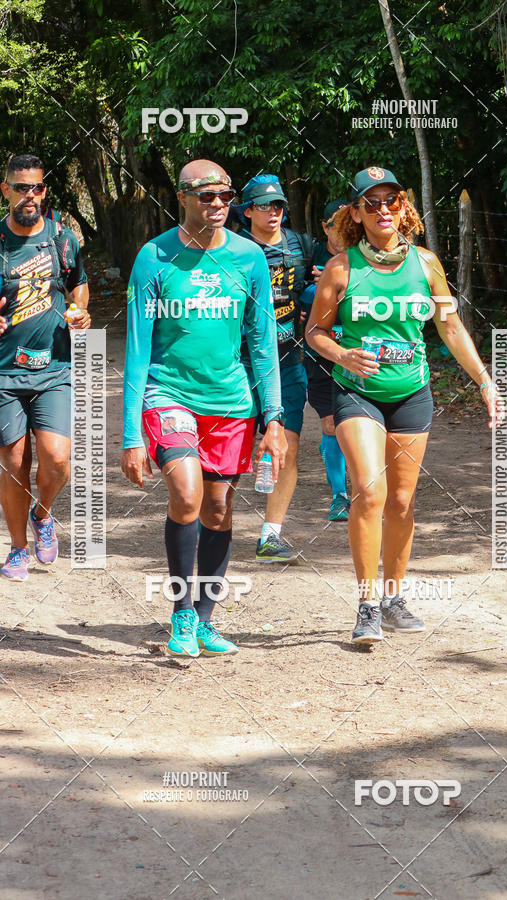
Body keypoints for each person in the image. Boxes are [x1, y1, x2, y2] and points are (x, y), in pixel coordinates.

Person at [306, 166, 504, 645]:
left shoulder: (427, 265)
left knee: (400, 500)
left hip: (412, 393)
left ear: (404, 207)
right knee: (370, 493)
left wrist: (484, 380)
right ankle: (368, 604)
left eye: (391, 200)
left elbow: (451, 328)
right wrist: (343, 354)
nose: (383, 210)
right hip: (358, 392)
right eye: (370, 203)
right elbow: (314, 333)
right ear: (356, 213)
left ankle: (394, 597)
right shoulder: (342, 268)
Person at [121, 159, 286, 659]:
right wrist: (131, 435)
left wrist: (272, 420)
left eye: (225, 196)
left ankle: (207, 617)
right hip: (167, 393)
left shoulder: (248, 258)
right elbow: (137, 348)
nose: (217, 205)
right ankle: (181, 612)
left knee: (218, 507)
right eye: (205, 196)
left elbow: (261, 344)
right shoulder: (154, 257)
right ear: (183, 197)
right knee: (188, 496)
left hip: (232, 402)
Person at [0, 154, 90, 581]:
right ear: (5, 191)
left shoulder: (62, 238)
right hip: (3, 373)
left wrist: (80, 312)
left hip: (54, 368)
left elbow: (79, 284)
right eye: (21, 188)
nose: (29, 195)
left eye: (36, 187)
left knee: (56, 458)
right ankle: (18, 549)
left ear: (44, 190)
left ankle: (43, 513)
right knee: (13, 461)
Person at [238, 174, 313, 562]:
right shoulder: (232, 249)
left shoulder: (301, 245)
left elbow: (337, 264)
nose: (274, 212)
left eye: (279, 205)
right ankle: (213, 522)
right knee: (234, 447)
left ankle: (271, 535)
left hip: (288, 359)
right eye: (265, 205)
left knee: (291, 445)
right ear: (248, 210)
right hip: (239, 363)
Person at [300, 199, 350, 521]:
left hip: (359, 353)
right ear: (324, 227)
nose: (344, 229)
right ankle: (340, 496)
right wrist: (313, 291)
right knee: (331, 423)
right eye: (336, 223)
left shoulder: (366, 258)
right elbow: (286, 294)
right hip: (320, 353)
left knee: (355, 426)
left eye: (349, 221)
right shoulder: (306, 256)